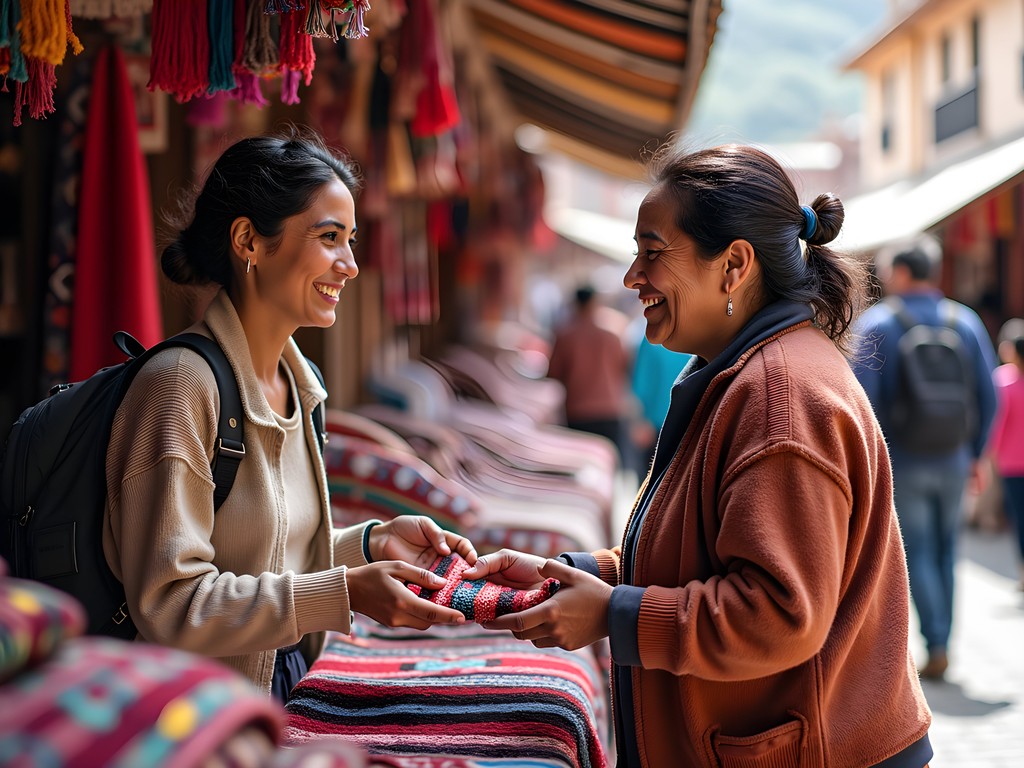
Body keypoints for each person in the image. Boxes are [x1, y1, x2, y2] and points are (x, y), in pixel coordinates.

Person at [462, 144, 933, 767]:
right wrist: (578, 574)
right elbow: (702, 553)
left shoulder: (778, 397)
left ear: (734, 265)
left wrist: (614, 613)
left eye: (652, 254)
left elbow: (777, 615)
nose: (633, 277)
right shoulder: (745, 374)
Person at [102, 129, 476, 703]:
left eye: (350, 240)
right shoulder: (179, 387)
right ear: (249, 240)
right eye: (330, 237)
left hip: (283, 679)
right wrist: (344, 593)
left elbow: (268, 558)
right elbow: (171, 603)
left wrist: (372, 545)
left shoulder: (298, 386)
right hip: (202, 714)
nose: (350, 266)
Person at [852, 240, 998, 680]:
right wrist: (976, 454)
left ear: (899, 273)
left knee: (917, 550)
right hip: (954, 456)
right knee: (948, 550)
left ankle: (935, 642)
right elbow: (989, 397)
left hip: (904, 460)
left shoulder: (878, 323)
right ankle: (943, 640)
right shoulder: (965, 321)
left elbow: (862, 400)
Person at [546, 284, 630, 464]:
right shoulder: (611, 335)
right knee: (608, 465)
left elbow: (553, 373)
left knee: (581, 465)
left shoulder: (565, 335)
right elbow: (624, 367)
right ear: (594, 303)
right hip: (609, 408)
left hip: (578, 410)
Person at [986, 317, 1024, 590]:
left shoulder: (1003, 381)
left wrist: (990, 454)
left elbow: (996, 423)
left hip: (1011, 462)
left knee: (1018, 518)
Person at [628, 333, 692, 473]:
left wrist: (641, 419)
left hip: (656, 424)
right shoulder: (694, 336)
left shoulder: (652, 337)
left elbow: (641, 382)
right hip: (684, 423)